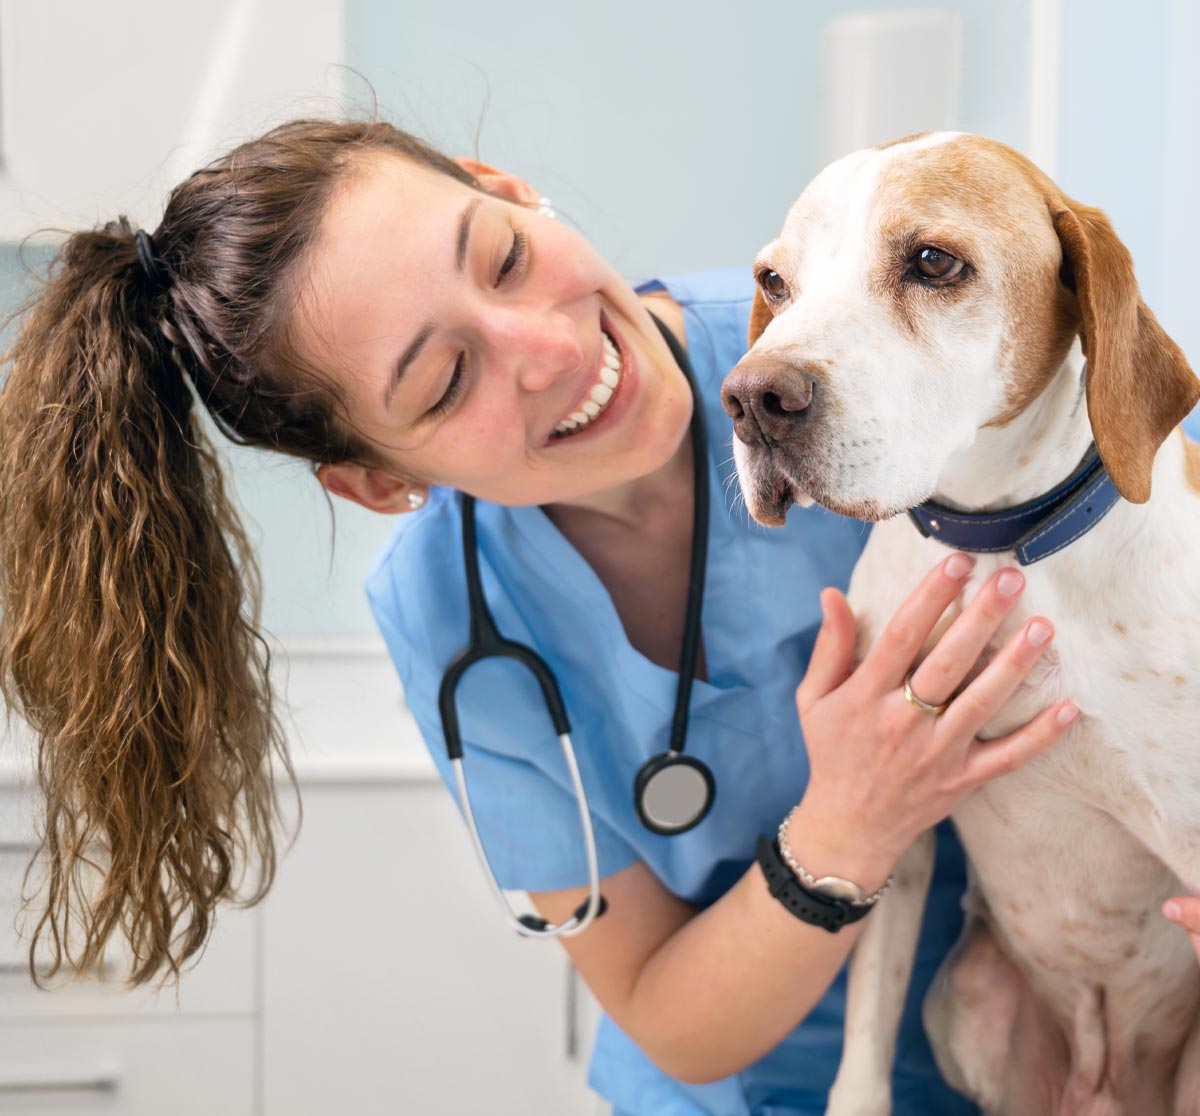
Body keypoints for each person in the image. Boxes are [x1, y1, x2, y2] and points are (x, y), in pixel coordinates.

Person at [0, 116, 1089, 1114]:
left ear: (509, 188)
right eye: (443, 383)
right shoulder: (448, 611)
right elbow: (668, 1015)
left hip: (1039, 1047)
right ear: (379, 482)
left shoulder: (832, 373)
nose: (554, 349)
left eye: (504, 257)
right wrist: (848, 823)